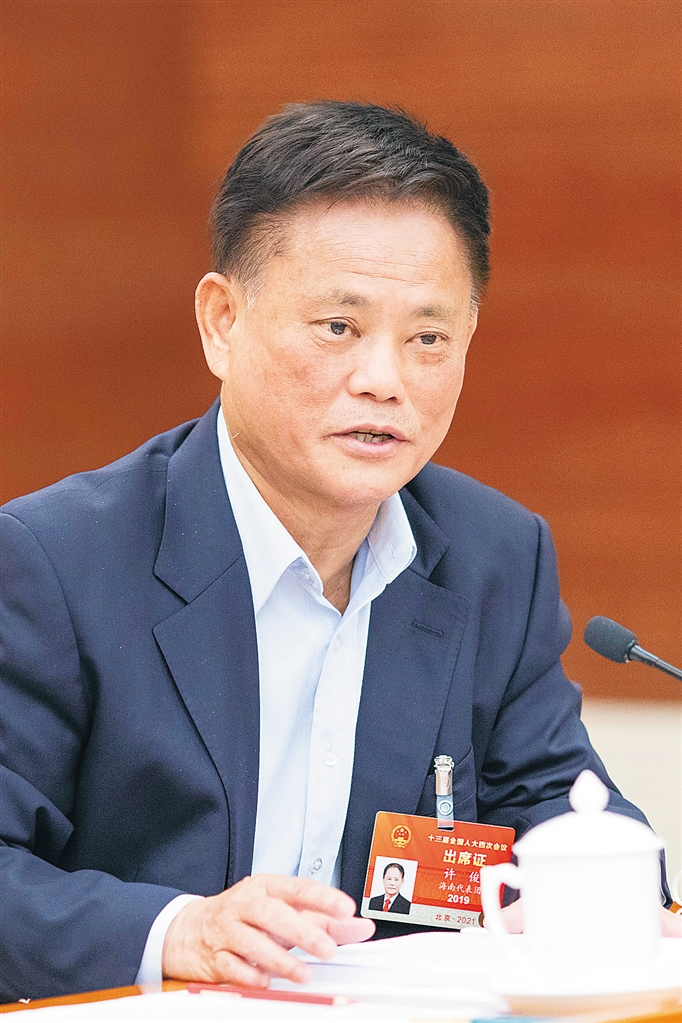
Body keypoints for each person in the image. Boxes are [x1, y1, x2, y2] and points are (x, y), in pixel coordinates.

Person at [1, 101, 677, 1004]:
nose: (384, 380)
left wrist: (593, 893)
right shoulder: (53, 562)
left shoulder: (494, 558)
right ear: (222, 322)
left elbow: (565, 809)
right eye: (338, 328)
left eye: (428, 338)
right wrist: (178, 930)